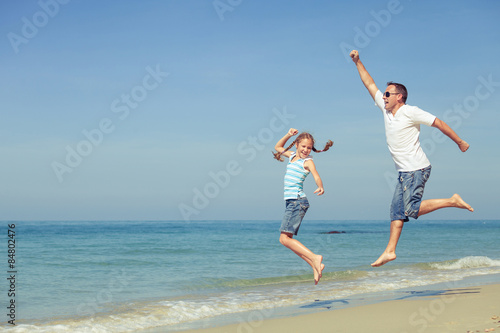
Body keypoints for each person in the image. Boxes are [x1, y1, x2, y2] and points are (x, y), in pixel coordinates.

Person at [349, 50, 474, 267]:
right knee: (396, 212)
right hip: (404, 172)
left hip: (416, 169)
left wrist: (460, 141)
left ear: (399, 97)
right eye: (384, 95)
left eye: (388, 94)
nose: (383, 97)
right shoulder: (386, 111)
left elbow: (439, 123)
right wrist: (358, 61)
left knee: (410, 211)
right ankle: (390, 251)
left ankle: (452, 201)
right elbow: (369, 84)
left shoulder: (411, 112)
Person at [273, 128, 333, 284]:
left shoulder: (308, 162)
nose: (306, 150)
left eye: (308, 147)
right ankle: (314, 265)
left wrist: (320, 186)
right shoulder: (292, 155)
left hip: (297, 202)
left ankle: (315, 258)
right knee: (287, 240)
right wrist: (288, 135)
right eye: (303, 146)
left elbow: (316, 175)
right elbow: (278, 147)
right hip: (292, 202)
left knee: (284, 239)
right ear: (297, 145)